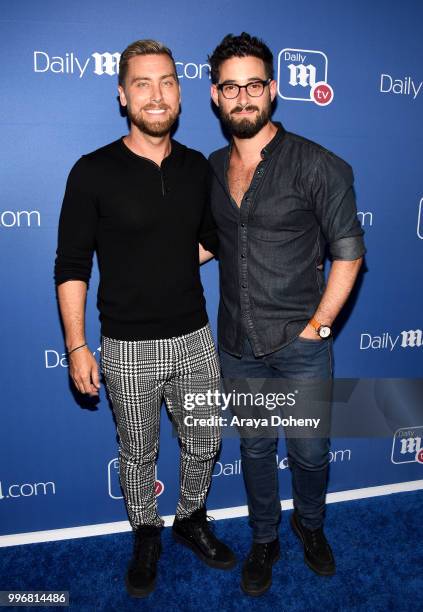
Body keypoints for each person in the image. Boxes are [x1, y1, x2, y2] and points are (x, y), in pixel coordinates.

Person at [54, 38, 236, 599]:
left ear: (180, 93)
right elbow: (72, 264)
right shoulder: (92, 171)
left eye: (167, 82)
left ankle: (189, 518)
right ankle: (146, 532)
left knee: (205, 442)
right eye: (143, 84)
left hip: (195, 338)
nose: (156, 95)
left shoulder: (197, 169)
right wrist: (77, 345)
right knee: (138, 453)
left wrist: (165, 258)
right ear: (122, 94)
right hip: (125, 347)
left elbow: (210, 241)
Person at [205, 32, 365, 596]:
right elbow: (212, 241)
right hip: (237, 343)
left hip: (299, 345)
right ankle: (265, 538)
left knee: (310, 451)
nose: (243, 97)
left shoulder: (318, 165)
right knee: (253, 448)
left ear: (272, 90)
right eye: (231, 87)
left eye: (254, 85)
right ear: (216, 95)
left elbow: (348, 252)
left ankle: (311, 526)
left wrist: (319, 326)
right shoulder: (210, 166)